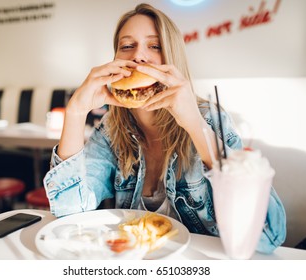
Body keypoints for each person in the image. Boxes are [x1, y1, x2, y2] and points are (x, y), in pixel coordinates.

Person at [43, 3, 286, 254]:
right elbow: (68, 214)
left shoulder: (209, 119)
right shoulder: (111, 129)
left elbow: (268, 236)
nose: (138, 56)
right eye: (127, 46)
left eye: (155, 46)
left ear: (172, 58)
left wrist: (194, 124)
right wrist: (75, 113)